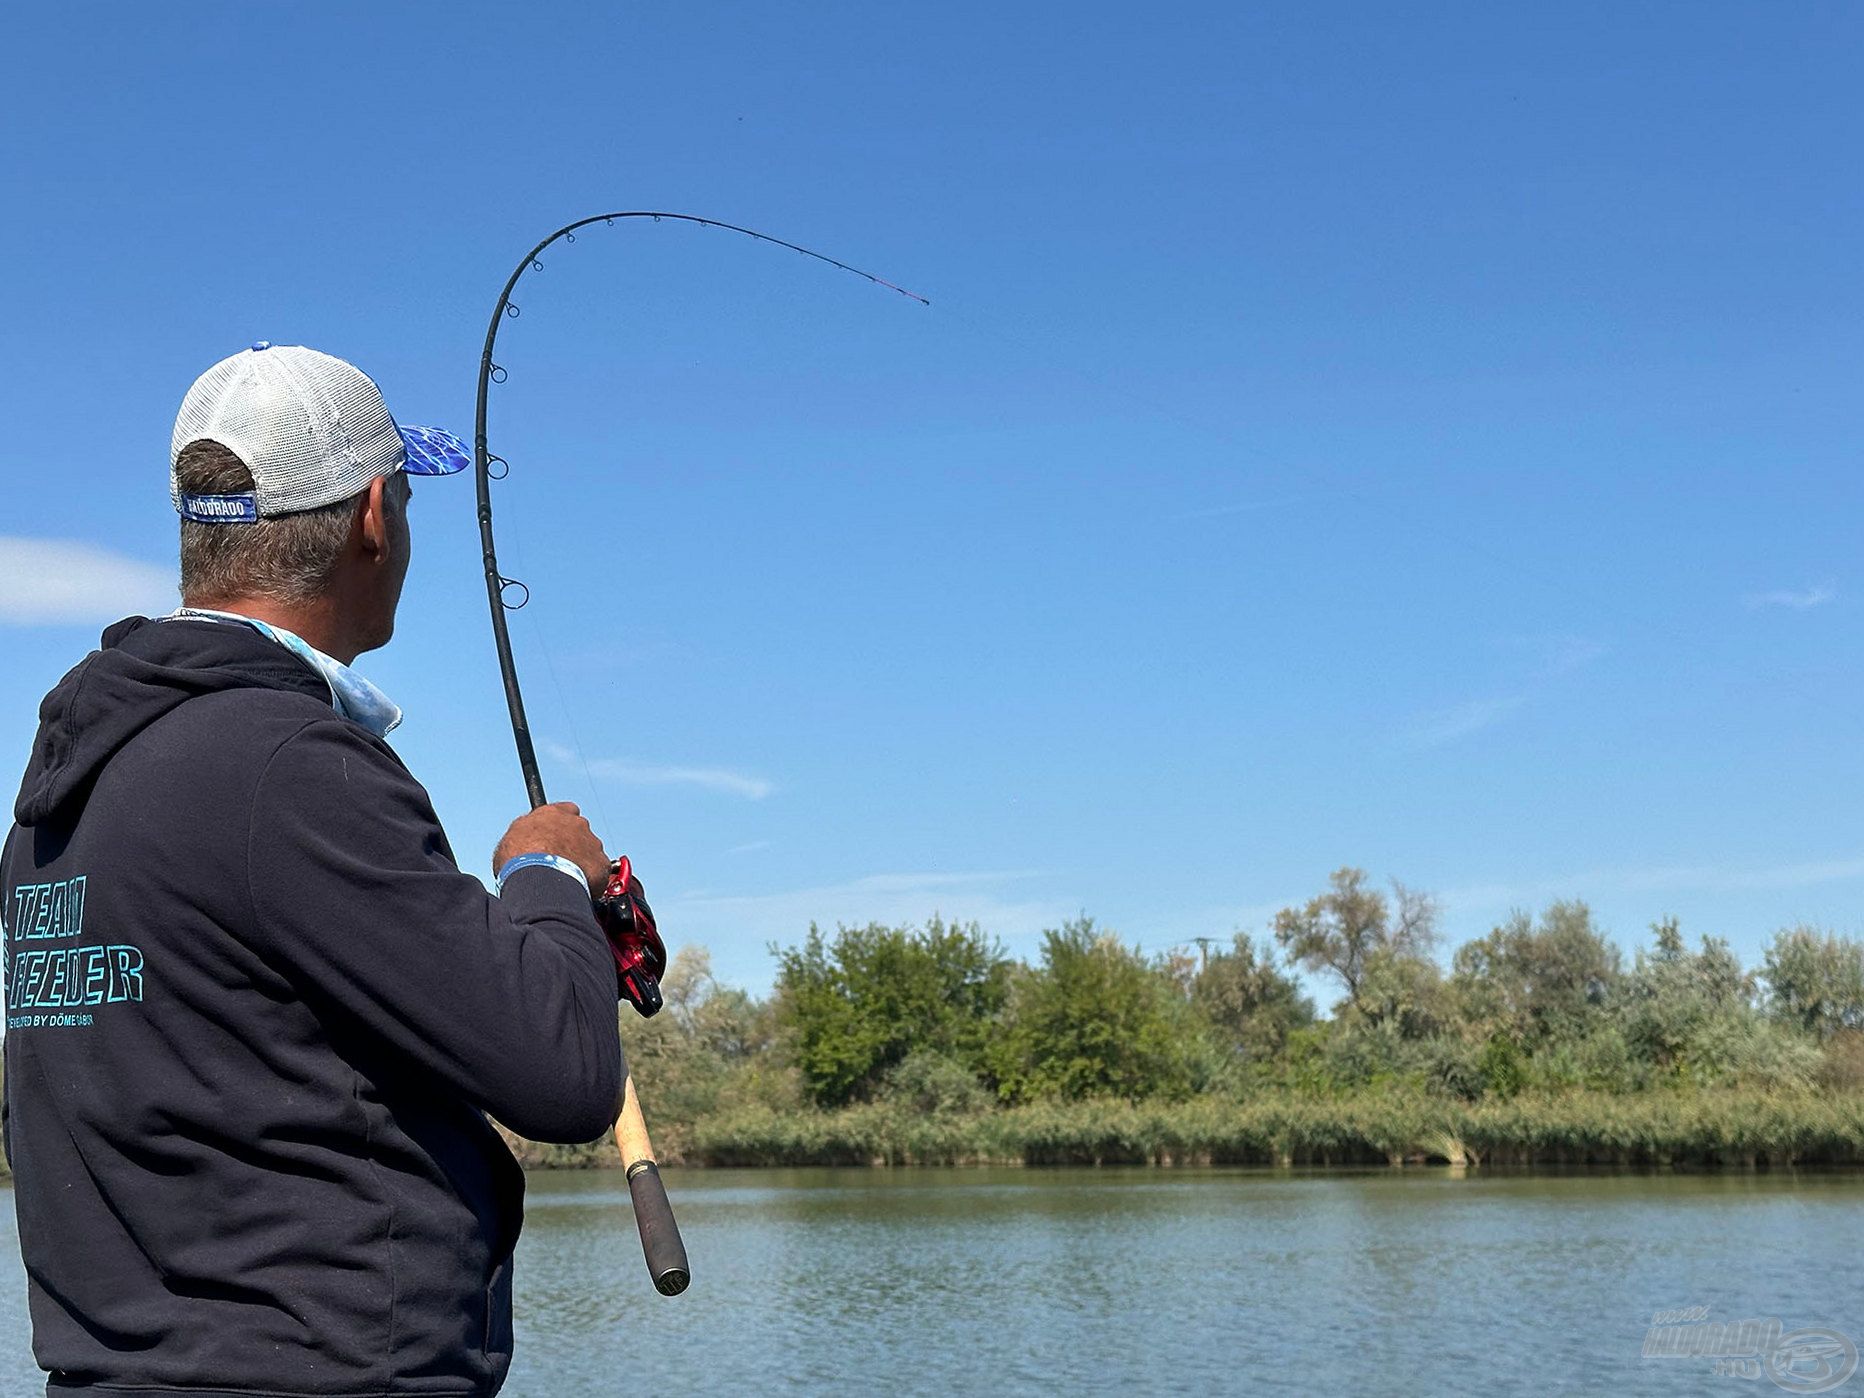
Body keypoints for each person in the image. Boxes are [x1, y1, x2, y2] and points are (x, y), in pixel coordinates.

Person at [1, 343, 628, 1397]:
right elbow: (563, 1074)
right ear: (377, 515)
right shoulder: (287, 765)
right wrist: (547, 879)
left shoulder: (60, 797)